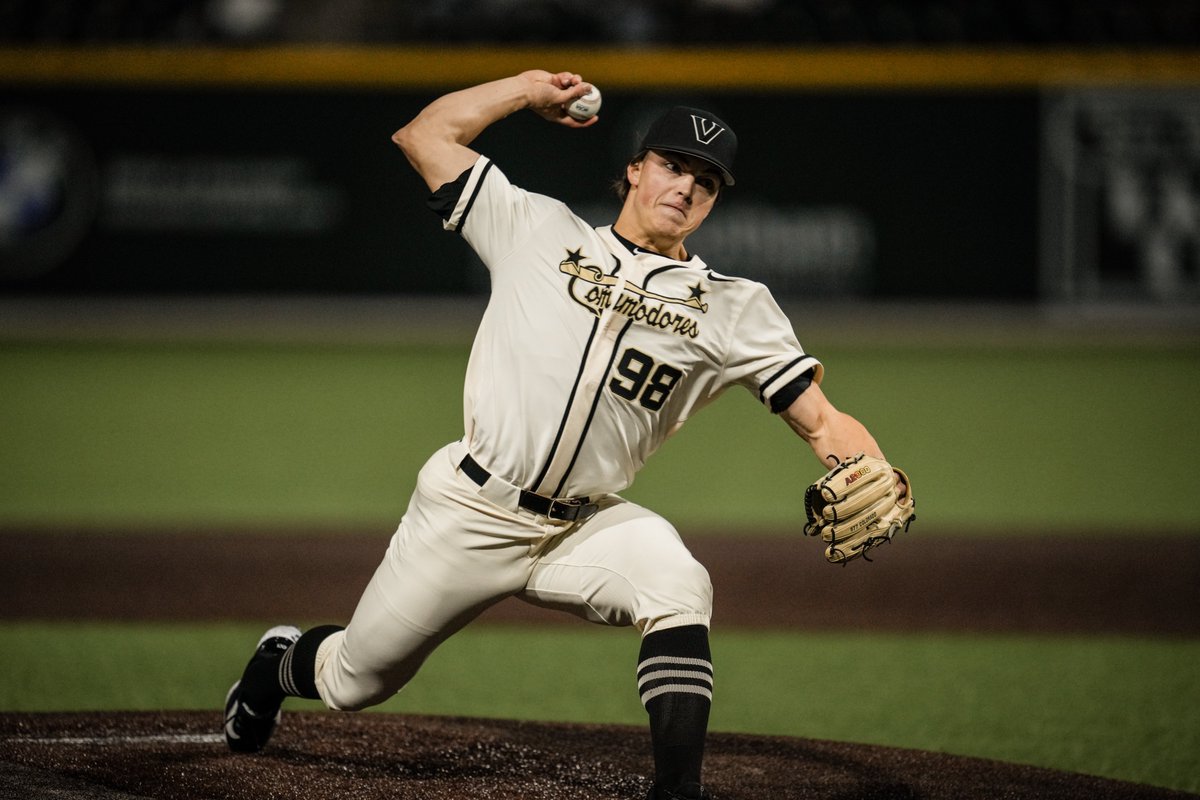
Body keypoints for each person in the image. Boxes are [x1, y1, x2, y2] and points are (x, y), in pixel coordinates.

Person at [222, 70, 908, 800]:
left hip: (583, 527)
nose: (685, 187)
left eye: (705, 182)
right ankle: (277, 662)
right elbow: (423, 136)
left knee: (677, 584)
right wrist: (524, 90)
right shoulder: (535, 229)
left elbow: (821, 419)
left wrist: (871, 464)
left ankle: (678, 792)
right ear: (635, 170)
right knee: (355, 681)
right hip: (469, 511)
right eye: (673, 165)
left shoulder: (735, 309)